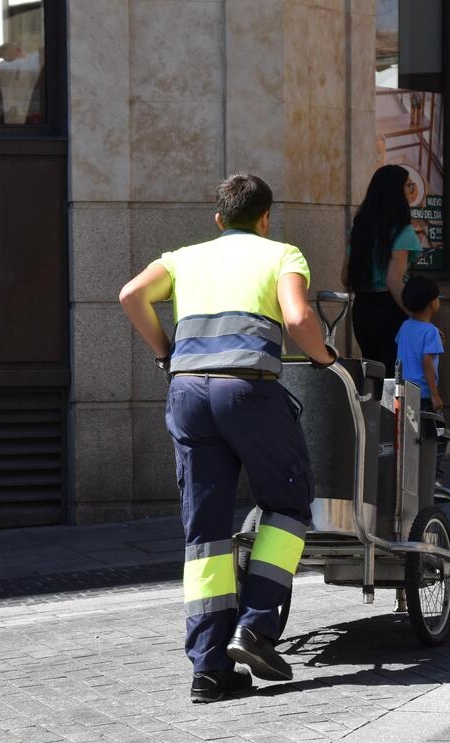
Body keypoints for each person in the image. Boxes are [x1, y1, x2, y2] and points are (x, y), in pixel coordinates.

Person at [118, 174, 337, 703]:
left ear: (218, 219)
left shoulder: (182, 258)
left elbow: (130, 295)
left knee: (206, 533)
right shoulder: (282, 254)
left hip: (188, 393)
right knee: (287, 506)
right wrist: (326, 360)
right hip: (249, 391)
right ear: (265, 218)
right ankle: (257, 629)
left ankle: (209, 670)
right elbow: (298, 316)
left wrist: (166, 353)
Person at [343, 165, 422, 375]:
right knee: (395, 380)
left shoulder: (359, 229)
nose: (411, 191)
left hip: (362, 309)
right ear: (396, 190)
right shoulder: (402, 231)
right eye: (408, 185)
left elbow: (345, 276)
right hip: (391, 309)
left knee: (373, 378)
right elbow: (394, 281)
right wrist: (416, 315)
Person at [396, 275, 447, 474]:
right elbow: (427, 361)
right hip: (424, 394)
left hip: (405, 390)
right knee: (438, 435)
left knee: (410, 437)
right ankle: (432, 476)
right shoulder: (431, 332)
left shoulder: (405, 326)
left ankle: (411, 475)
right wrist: (435, 394)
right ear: (432, 303)